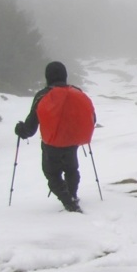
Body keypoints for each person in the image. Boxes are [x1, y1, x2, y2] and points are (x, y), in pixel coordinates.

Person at [14, 61, 95, 213]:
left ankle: (68, 201)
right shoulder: (76, 92)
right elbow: (91, 117)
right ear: (65, 75)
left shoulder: (42, 95)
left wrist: (21, 130)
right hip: (72, 141)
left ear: (47, 76)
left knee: (52, 174)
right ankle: (72, 195)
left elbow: (30, 128)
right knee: (71, 170)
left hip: (51, 144)